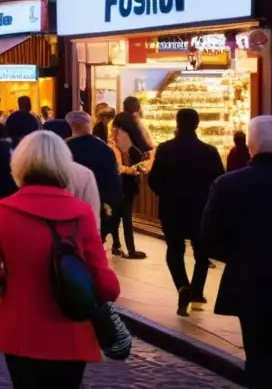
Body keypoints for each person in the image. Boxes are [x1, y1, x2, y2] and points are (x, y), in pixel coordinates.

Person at [0, 130, 120, 388]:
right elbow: (107, 284)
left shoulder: (1, 210)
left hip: (20, 325)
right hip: (71, 327)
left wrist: (5, 283)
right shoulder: (82, 212)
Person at [201, 115, 272, 389]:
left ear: (251, 144)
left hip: (249, 280)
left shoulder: (229, 184)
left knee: (257, 354)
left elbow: (209, 237)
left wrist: (239, 257)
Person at [148, 108, 225, 316]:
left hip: (171, 209)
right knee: (202, 252)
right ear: (197, 124)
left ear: (177, 123)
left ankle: (183, 286)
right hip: (200, 209)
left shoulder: (165, 149)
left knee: (174, 249)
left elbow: (153, 179)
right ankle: (197, 292)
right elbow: (219, 181)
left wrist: (166, 193)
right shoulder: (209, 151)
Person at [66, 111, 122, 241]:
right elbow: (113, 182)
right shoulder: (104, 148)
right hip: (97, 206)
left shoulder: (64, 147)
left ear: (72, 127)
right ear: (89, 125)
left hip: (69, 208)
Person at [39, 120, 100, 228]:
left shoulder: (28, 170)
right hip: (72, 235)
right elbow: (92, 216)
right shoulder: (82, 172)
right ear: (67, 138)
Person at [108, 111, 150, 259]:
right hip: (123, 183)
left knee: (118, 216)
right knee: (124, 216)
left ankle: (117, 245)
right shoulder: (116, 141)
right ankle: (129, 249)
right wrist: (133, 170)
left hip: (122, 184)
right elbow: (119, 167)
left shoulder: (118, 139)